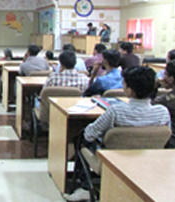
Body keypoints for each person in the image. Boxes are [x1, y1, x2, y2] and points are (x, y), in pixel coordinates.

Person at [64, 66, 170, 201]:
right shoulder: (162, 112)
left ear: (129, 90)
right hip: (148, 160)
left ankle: (85, 187)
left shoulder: (116, 111)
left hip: (115, 159)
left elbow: (89, 134)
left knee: (81, 136)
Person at [152, 60, 175, 148]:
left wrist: (154, 87)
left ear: (171, 79)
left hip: (170, 143)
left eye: (165, 74)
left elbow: (147, 107)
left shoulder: (165, 99)